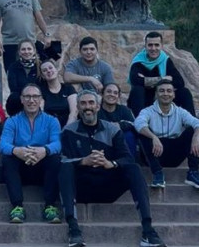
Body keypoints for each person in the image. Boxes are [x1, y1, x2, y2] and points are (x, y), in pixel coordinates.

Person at [59, 91, 165, 247]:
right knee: (65, 168)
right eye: (83, 103)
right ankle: (74, 229)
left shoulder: (112, 130)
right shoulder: (68, 131)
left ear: (97, 106)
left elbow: (127, 158)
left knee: (134, 168)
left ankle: (148, 230)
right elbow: (62, 159)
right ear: (78, 107)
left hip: (107, 185)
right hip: (81, 187)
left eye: (91, 103)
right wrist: (84, 161)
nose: (87, 107)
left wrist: (111, 163)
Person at [0, 84, 62, 225]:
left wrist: (44, 151)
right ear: (21, 99)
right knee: (8, 158)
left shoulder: (52, 121)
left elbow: (57, 144)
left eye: (35, 97)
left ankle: (50, 206)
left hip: (42, 168)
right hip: (21, 169)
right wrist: (18, 151)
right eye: (27, 96)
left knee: (55, 158)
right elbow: (2, 145)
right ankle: (17, 207)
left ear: (41, 100)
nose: (31, 100)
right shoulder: (12, 121)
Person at [134, 78, 199, 189]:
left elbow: (197, 123)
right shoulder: (147, 111)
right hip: (155, 153)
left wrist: (196, 138)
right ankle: (157, 173)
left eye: (169, 91)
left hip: (174, 154)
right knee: (143, 133)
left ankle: (193, 173)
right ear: (156, 94)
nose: (165, 94)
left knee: (193, 130)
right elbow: (138, 124)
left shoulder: (180, 111)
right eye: (162, 91)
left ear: (173, 95)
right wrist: (153, 137)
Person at [0, 0, 51, 72]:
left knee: (36, 71)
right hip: (10, 43)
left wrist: (47, 35)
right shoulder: (1, 0)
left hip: (29, 42)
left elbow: (39, 18)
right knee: (11, 72)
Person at [127, 31, 196, 116]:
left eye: (156, 45)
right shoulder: (138, 61)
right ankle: (141, 125)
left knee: (184, 92)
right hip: (145, 100)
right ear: (145, 46)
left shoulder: (165, 60)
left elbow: (179, 82)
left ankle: (192, 125)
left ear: (161, 46)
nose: (153, 48)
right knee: (137, 90)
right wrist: (163, 79)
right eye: (150, 45)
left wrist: (147, 81)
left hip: (163, 97)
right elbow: (135, 81)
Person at [100, 82, 138, 159]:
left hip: (120, 141)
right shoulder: (96, 110)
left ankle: (129, 163)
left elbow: (134, 125)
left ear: (118, 96)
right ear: (102, 94)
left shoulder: (124, 110)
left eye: (115, 93)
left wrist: (119, 125)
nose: (112, 94)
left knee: (129, 135)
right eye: (108, 91)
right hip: (100, 141)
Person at [38, 59, 77, 129]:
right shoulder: (41, 91)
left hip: (69, 127)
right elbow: (40, 113)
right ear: (42, 76)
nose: (48, 71)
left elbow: (74, 113)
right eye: (45, 70)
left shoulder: (69, 88)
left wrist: (66, 129)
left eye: (50, 68)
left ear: (56, 70)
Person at [5, 39, 41, 115]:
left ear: (34, 51)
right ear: (19, 52)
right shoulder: (13, 67)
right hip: (20, 99)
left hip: (38, 97)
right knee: (14, 97)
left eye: (29, 49)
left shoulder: (40, 66)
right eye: (23, 49)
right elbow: (13, 88)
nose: (26, 52)